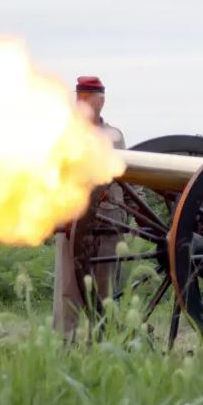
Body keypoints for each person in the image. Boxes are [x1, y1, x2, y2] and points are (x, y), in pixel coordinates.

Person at [52, 76, 126, 339]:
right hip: (71, 220)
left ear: (101, 100)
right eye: (79, 97)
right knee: (67, 290)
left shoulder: (114, 136)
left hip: (107, 221)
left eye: (88, 97)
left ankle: (102, 341)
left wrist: (129, 216)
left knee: (105, 290)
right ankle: (65, 343)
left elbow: (128, 181)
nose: (82, 102)